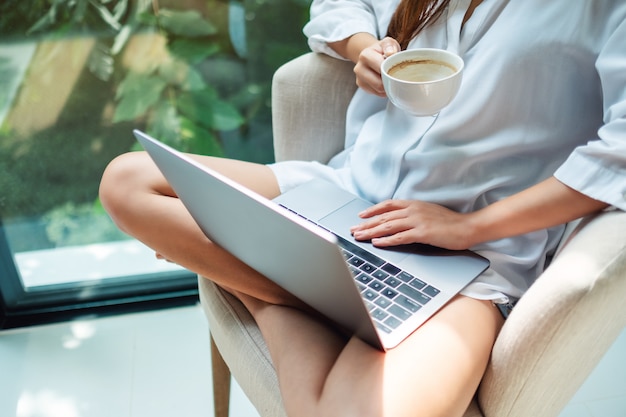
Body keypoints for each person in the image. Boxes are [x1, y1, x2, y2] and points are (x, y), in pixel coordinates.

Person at [99, 0, 626, 415]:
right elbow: (336, 6)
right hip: (351, 192)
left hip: (471, 260)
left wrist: (470, 227)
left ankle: (267, 293)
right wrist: (364, 49)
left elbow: (617, 155)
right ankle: (321, 288)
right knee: (128, 182)